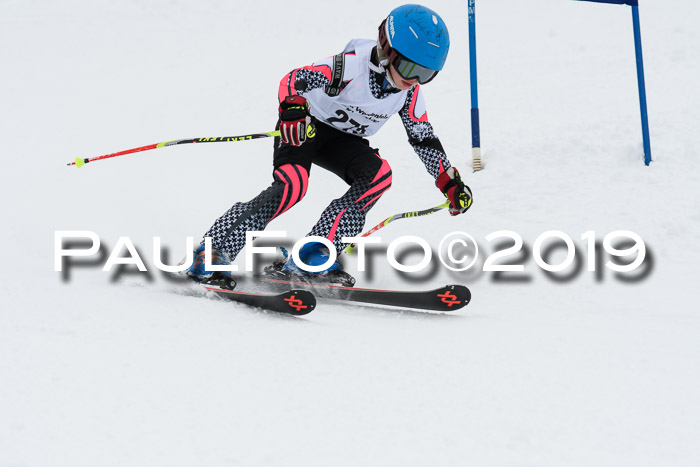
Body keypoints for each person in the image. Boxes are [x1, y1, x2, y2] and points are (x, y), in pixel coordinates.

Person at [185, 4, 473, 286]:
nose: (414, 81)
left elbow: (423, 137)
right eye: (411, 69)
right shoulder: (349, 66)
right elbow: (294, 80)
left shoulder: (408, 93)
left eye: (426, 75)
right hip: (305, 127)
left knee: (379, 175)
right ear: (387, 51)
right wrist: (293, 108)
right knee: (292, 187)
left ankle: (315, 252)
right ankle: (214, 249)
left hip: (343, 142)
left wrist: (449, 180)